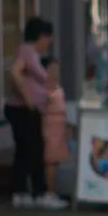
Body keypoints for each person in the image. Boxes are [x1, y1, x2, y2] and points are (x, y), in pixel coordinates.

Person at [6, 17, 66, 209]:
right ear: (41, 37)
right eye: (48, 38)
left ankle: (23, 191)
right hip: (23, 109)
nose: (48, 43)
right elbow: (14, 72)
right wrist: (29, 99)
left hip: (29, 108)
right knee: (32, 149)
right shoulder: (27, 51)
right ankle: (37, 192)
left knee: (27, 149)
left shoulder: (29, 53)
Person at [41, 57, 70, 197]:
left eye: (56, 70)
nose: (54, 73)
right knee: (50, 161)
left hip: (59, 126)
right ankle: (49, 192)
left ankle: (51, 190)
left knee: (55, 161)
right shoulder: (42, 88)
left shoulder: (58, 87)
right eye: (51, 69)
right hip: (49, 126)